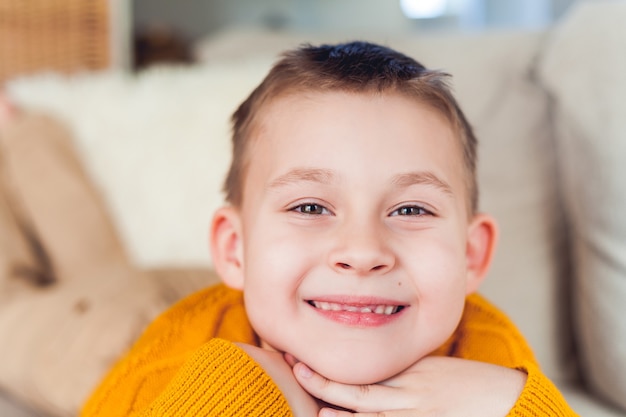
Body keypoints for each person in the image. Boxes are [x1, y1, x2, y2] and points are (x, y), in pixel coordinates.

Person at [81, 41, 577, 416]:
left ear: (471, 256)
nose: (362, 253)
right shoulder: (169, 358)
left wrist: (509, 401)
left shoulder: (490, 360)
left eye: (410, 211)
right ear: (236, 250)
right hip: (105, 314)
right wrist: (236, 389)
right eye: (312, 207)